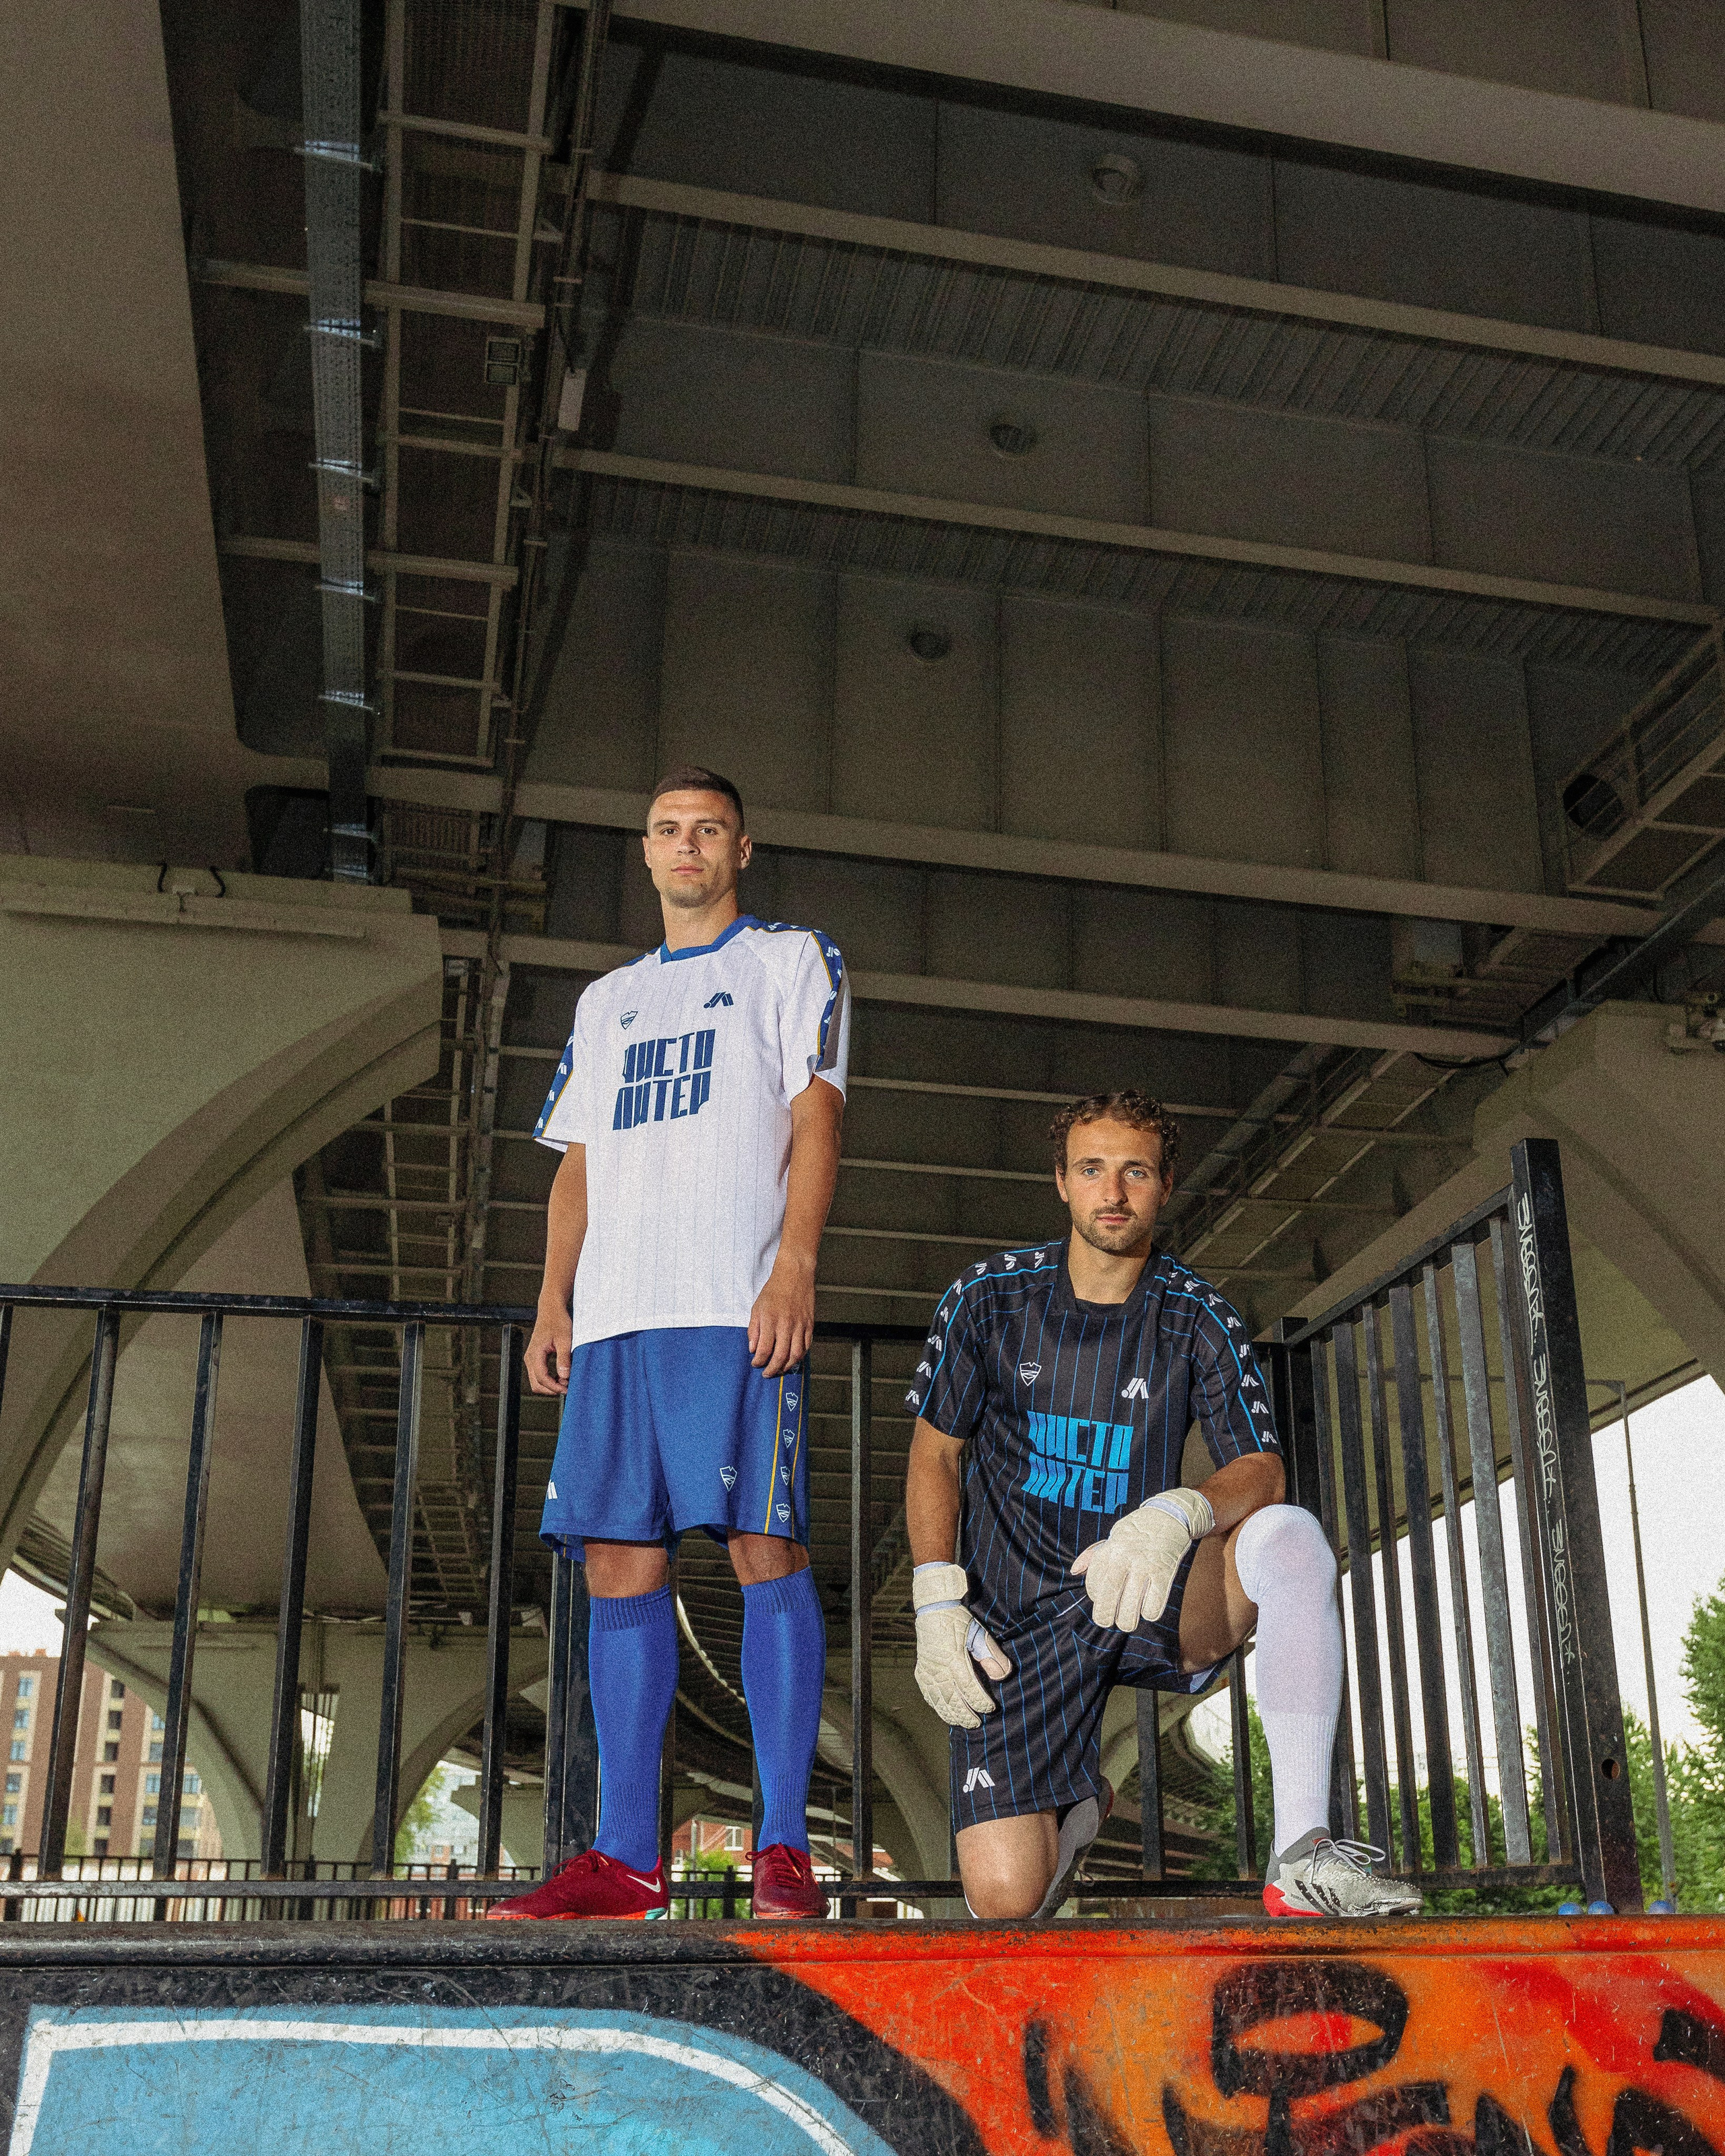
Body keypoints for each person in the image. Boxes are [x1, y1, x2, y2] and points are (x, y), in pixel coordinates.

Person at [903, 1089, 1423, 1921]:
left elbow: (1261, 1468)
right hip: (1014, 1617)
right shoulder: (988, 1297)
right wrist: (935, 1593)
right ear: (1061, 1181)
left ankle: (1302, 1854)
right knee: (1005, 1899)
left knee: (1288, 1535)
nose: (1112, 1191)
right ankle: (1080, 1804)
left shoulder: (1196, 1313)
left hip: (1144, 1583)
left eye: (1135, 1171)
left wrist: (1177, 1512)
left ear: (1166, 1185)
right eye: (1091, 1169)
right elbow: (936, 1452)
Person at [489, 765, 849, 1922]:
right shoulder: (609, 1001)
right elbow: (578, 1163)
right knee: (615, 1564)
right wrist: (555, 1299)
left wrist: (795, 1266)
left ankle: (784, 1848)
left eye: (708, 830)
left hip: (731, 1302)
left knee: (762, 1546)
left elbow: (817, 1116)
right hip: (616, 1318)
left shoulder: (791, 960)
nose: (686, 845)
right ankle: (626, 1857)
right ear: (645, 852)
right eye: (667, 830)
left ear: (742, 850)